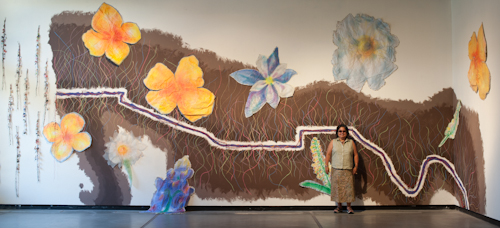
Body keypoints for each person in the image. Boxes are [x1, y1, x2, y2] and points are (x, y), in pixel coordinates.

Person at [325, 124, 359, 214]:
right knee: (338, 189)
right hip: (336, 169)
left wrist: (356, 166)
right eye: (340, 131)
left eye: (344, 131)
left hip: (348, 169)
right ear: (337, 133)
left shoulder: (351, 142)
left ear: (346, 133)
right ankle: (339, 207)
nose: (342, 133)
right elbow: (328, 154)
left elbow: (355, 155)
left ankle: (349, 207)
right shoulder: (333, 142)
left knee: (348, 189)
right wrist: (326, 166)